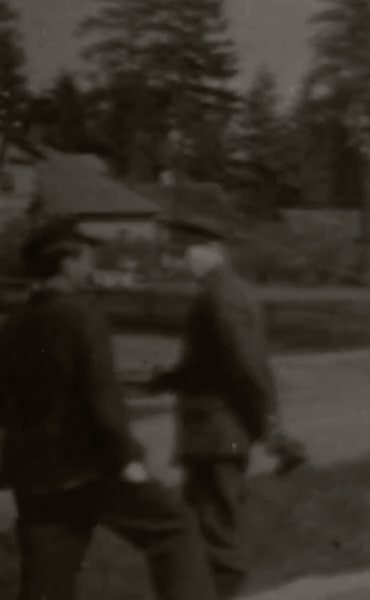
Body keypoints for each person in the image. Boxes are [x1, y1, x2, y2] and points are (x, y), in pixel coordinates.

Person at [0, 216, 217, 600]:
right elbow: (102, 395)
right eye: (86, 258)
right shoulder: (82, 315)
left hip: (35, 475)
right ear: (66, 263)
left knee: (47, 580)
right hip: (92, 467)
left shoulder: (14, 323)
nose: (91, 266)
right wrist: (127, 457)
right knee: (176, 530)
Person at [148, 232, 307, 599]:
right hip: (218, 429)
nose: (183, 260)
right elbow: (218, 363)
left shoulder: (221, 297)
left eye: (187, 251)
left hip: (218, 430)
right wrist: (166, 380)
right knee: (205, 519)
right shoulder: (225, 292)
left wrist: (269, 423)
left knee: (215, 524)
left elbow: (245, 364)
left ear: (210, 253)